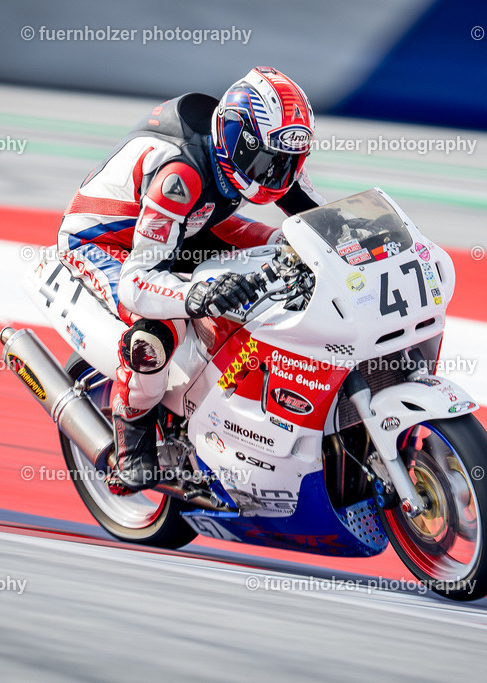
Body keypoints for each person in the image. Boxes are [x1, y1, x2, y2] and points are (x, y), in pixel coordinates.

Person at [56, 67, 324, 494]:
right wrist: (196, 294)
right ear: (239, 140)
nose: (276, 175)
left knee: (289, 246)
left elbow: (322, 223)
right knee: (158, 331)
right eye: (269, 162)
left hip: (186, 225)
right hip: (107, 241)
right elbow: (137, 282)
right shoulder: (181, 173)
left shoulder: (264, 159)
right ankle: (132, 446)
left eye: (288, 164)